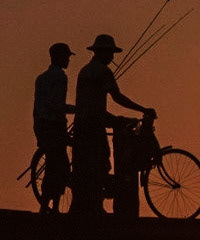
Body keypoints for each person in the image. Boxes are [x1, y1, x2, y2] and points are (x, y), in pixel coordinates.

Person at [71, 33, 153, 214]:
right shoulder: (102, 72)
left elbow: (88, 102)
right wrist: (143, 109)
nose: (112, 57)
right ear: (103, 52)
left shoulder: (85, 71)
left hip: (81, 123)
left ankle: (86, 205)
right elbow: (117, 97)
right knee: (100, 164)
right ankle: (96, 205)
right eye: (110, 53)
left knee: (85, 165)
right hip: (94, 125)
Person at [32, 42, 74, 212]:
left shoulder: (41, 78)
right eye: (66, 57)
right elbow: (57, 105)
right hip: (55, 126)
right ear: (58, 57)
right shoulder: (60, 77)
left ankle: (48, 205)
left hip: (42, 125)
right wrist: (77, 109)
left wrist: (37, 131)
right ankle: (51, 205)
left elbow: (37, 107)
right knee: (59, 166)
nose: (68, 60)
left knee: (53, 164)